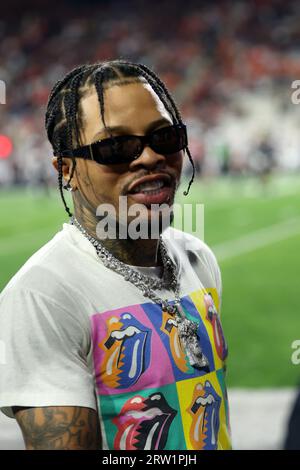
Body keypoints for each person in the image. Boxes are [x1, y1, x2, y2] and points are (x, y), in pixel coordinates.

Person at [0, 60, 231, 450]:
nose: (148, 157)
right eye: (116, 147)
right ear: (66, 170)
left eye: (165, 137)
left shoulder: (197, 257)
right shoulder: (42, 296)